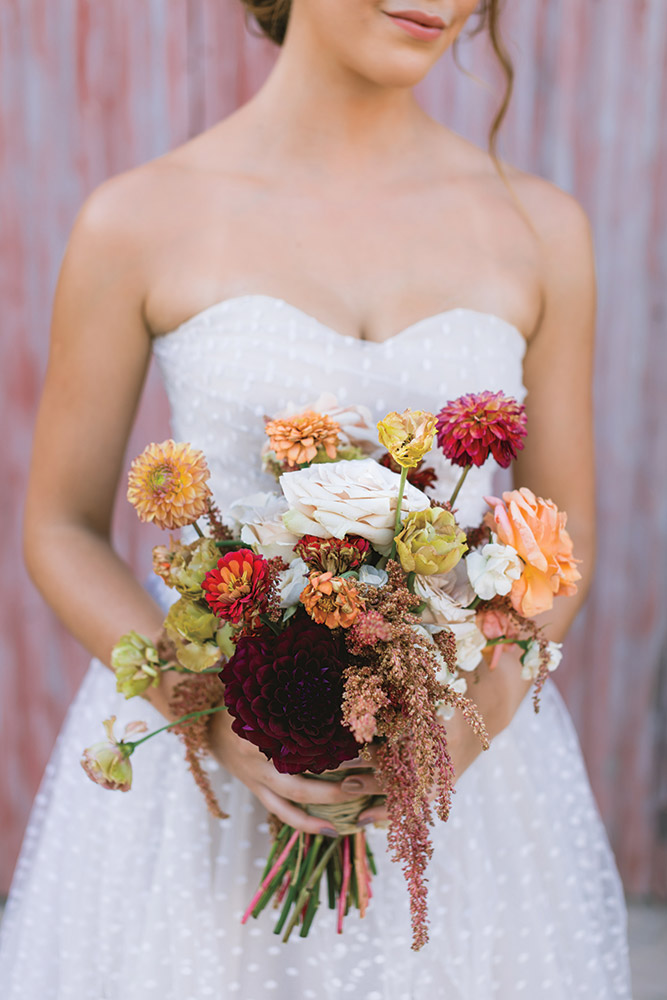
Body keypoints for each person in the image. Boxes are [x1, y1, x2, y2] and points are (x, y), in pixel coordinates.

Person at [0, 1, 632, 997]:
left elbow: (565, 524)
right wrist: (209, 718)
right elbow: (60, 526)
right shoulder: (138, 218)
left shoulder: (540, 226)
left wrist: (466, 725)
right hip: (203, 783)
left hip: (465, 775)